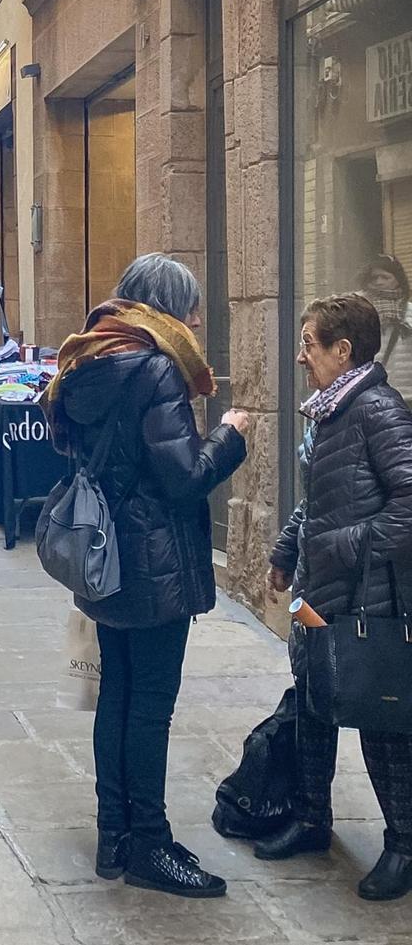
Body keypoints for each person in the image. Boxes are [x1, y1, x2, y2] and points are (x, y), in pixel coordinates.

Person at [44, 253, 249, 899]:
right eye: (190, 307)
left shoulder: (87, 360)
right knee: (150, 707)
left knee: (118, 696)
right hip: (154, 563)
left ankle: (115, 833)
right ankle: (150, 844)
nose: (195, 319)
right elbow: (184, 475)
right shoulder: (157, 369)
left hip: (105, 559)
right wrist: (230, 436)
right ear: (166, 310)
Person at [264, 292, 412, 901]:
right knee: (313, 702)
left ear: (341, 350)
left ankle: (403, 844)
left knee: (381, 723)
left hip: (367, 602)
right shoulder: (328, 410)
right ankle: (310, 820)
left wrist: (343, 546)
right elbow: (317, 500)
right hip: (316, 593)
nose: (302, 357)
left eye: (309, 344)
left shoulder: (378, 410)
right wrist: (285, 550)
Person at [359, 255, 412, 400]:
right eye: (374, 278)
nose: (379, 282)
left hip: (407, 394)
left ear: (397, 279)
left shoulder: (409, 312)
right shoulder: (360, 311)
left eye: (385, 277)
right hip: (374, 394)